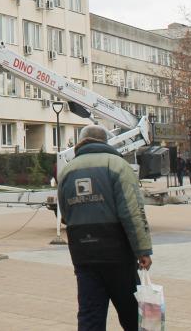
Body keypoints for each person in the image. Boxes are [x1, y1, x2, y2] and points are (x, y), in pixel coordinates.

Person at [57, 125, 153, 331]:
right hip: (117, 254)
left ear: (81, 142)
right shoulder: (117, 165)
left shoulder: (67, 171)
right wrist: (143, 250)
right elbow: (132, 212)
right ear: (105, 142)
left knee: (90, 316)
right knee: (131, 314)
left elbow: (65, 213)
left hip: (83, 255)